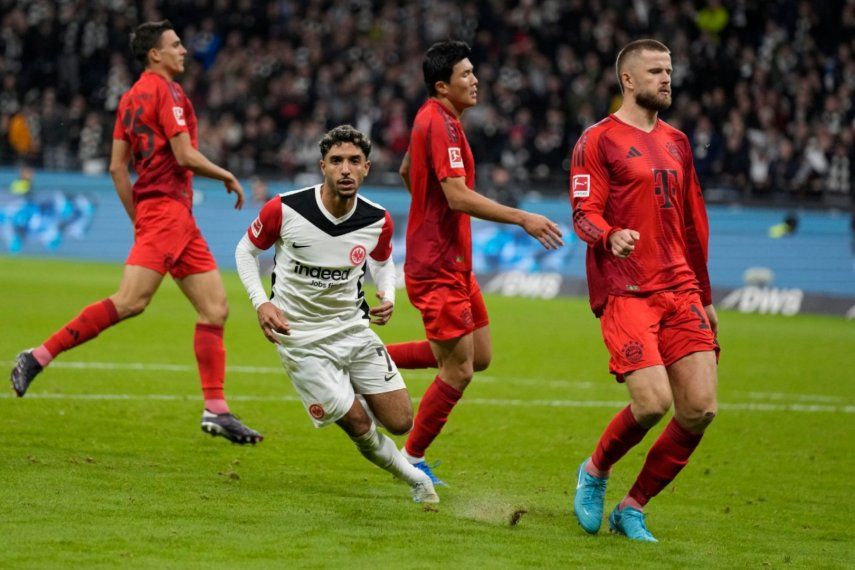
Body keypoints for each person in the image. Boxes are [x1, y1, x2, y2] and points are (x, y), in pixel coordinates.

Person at [9, 20, 262, 444]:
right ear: (154, 55)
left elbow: (115, 166)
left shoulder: (129, 98)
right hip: (167, 211)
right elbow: (183, 154)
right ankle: (37, 355)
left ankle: (216, 409)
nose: (184, 50)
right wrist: (225, 174)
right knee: (130, 301)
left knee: (215, 308)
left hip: (171, 216)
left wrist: (137, 217)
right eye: (175, 45)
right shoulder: (167, 92)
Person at [385, 40, 564, 484]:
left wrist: (428, 214)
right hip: (437, 266)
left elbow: (409, 171)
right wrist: (521, 217)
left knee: (478, 356)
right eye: (465, 74)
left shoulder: (438, 118)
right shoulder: (441, 124)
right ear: (442, 85)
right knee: (458, 369)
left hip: (454, 262)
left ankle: (368, 357)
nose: (475, 79)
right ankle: (410, 458)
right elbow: (457, 195)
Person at [234, 124, 438, 504]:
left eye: (354, 161)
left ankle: (352, 398)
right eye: (337, 161)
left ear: (367, 168)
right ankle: (416, 481)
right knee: (358, 424)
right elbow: (245, 252)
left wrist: (388, 292)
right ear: (322, 166)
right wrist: (261, 302)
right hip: (302, 339)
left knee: (400, 421)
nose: (346, 169)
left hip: (353, 330)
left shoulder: (377, 218)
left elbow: (383, 261)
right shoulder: (285, 208)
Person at [569, 39, 719, 542]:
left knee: (699, 409)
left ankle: (632, 508)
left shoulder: (677, 142)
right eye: (655, 71)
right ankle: (595, 470)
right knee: (653, 402)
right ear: (628, 80)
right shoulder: (598, 140)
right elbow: (583, 216)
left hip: (680, 288)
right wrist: (610, 235)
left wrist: (707, 296)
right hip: (626, 290)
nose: (666, 79)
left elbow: (694, 224)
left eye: (669, 70)